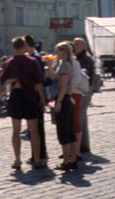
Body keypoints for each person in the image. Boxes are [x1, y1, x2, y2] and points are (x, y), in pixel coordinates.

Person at [0, 36, 46, 170]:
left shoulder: (9, 62)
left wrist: (15, 78)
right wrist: (42, 98)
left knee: (16, 130)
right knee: (34, 130)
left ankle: (17, 160)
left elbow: (3, 80)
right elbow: (39, 82)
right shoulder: (32, 61)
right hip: (30, 96)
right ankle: (37, 159)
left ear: (13, 47)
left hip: (16, 95)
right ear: (25, 46)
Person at [48, 42, 78, 171]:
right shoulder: (62, 64)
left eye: (57, 51)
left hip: (64, 99)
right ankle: (73, 161)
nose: (56, 54)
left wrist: (59, 101)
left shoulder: (65, 65)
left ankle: (66, 162)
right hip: (66, 99)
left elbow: (64, 85)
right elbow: (53, 76)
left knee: (64, 133)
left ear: (63, 52)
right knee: (70, 132)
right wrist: (49, 64)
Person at [24, 34, 48, 163]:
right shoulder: (33, 57)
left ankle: (40, 154)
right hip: (33, 93)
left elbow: (38, 79)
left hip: (35, 94)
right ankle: (38, 153)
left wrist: (41, 97)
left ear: (26, 44)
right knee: (34, 127)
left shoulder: (36, 58)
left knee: (37, 127)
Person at [73, 37, 94, 153]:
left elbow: (85, 76)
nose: (75, 45)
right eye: (74, 43)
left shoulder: (86, 58)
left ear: (84, 46)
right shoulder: (77, 57)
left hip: (83, 90)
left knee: (78, 118)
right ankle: (84, 145)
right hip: (79, 89)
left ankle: (77, 147)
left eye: (78, 44)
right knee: (82, 118)